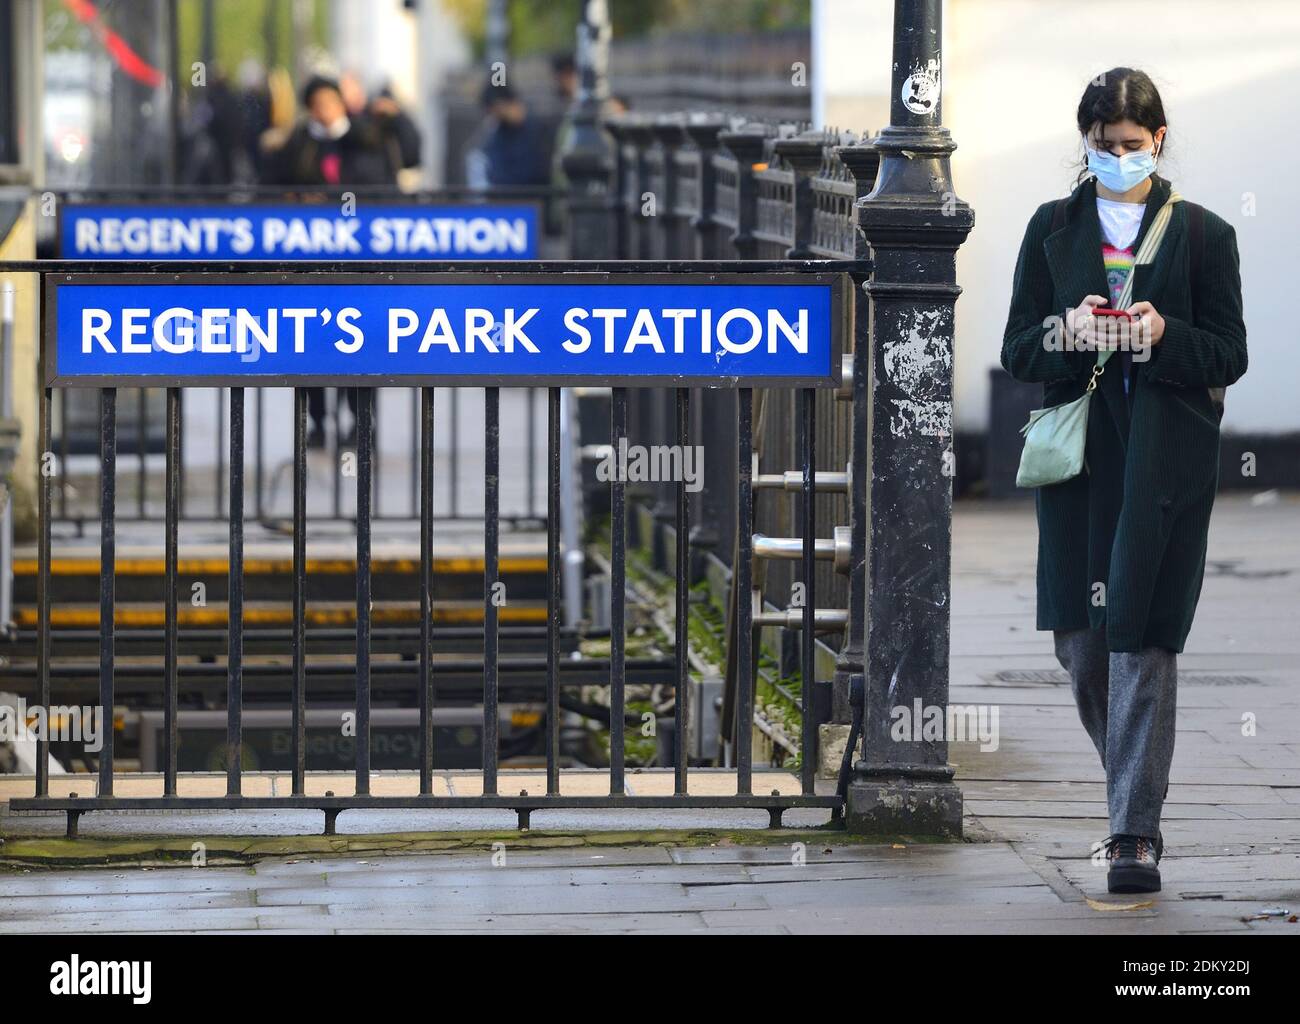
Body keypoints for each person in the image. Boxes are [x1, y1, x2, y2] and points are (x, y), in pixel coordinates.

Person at [1001, 68, 1247, 894]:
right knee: (1080, 640)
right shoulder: (1050, 229)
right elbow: (1018, 350)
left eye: (1130, 146)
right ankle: (1130, 789)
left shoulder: (1206, 235)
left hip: (1163, 458)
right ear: (1086, 145)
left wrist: (1163, 330)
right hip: (1079, 458)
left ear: (1159, 141)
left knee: (1140, 632)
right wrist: (1065, 331)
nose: (1115, 159)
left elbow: (1229, 354)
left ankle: (1132, 834)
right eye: (1102, 148)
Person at [265, 75, 404, 446]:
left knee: (359, 345)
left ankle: (361, 422)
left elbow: (386, 183)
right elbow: (275, 185)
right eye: (317, 105)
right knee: (312, 344)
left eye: (330, 103)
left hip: (360, 264)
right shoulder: (301, 141)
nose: (324, 112)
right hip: (312, 262)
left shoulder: (366, 137)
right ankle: (317, 421)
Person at [466, 82, 549, 188]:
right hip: (506, 198)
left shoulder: (539, 130)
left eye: (497, 111)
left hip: (534, 198)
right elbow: (494, 171)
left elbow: (536, 172)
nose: (496, 117)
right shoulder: (500, 132)